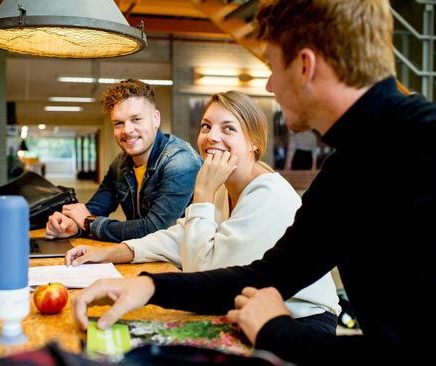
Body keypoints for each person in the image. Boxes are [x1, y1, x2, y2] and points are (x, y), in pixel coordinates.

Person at [70, 1, 436, 365]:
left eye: (273, 67)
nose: (269, 84)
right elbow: (272, 273)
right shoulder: (348, 167)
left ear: (305, 66)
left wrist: (276, 330)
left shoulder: (419, 150)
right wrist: (149, 286)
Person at [65, 90, 340, 334]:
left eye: (228, 129)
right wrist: (111, 252)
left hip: (303, 320)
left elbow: (202, 272)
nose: (211, 137)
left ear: (254, 142)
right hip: (254, 310)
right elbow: (178, 237)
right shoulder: (225, 186)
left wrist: (203, 194)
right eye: (206, 126)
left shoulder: (266, 193)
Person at [45, 79, 203, 242]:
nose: (127, 130)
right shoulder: (121, 164)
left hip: (181, 263)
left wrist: (89, 223)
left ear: (155, 119)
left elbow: (155, 230)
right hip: (143, 257)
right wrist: (70, 225)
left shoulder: (181, 162)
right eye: (119, 123)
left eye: (136, 119)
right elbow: (96, 208)